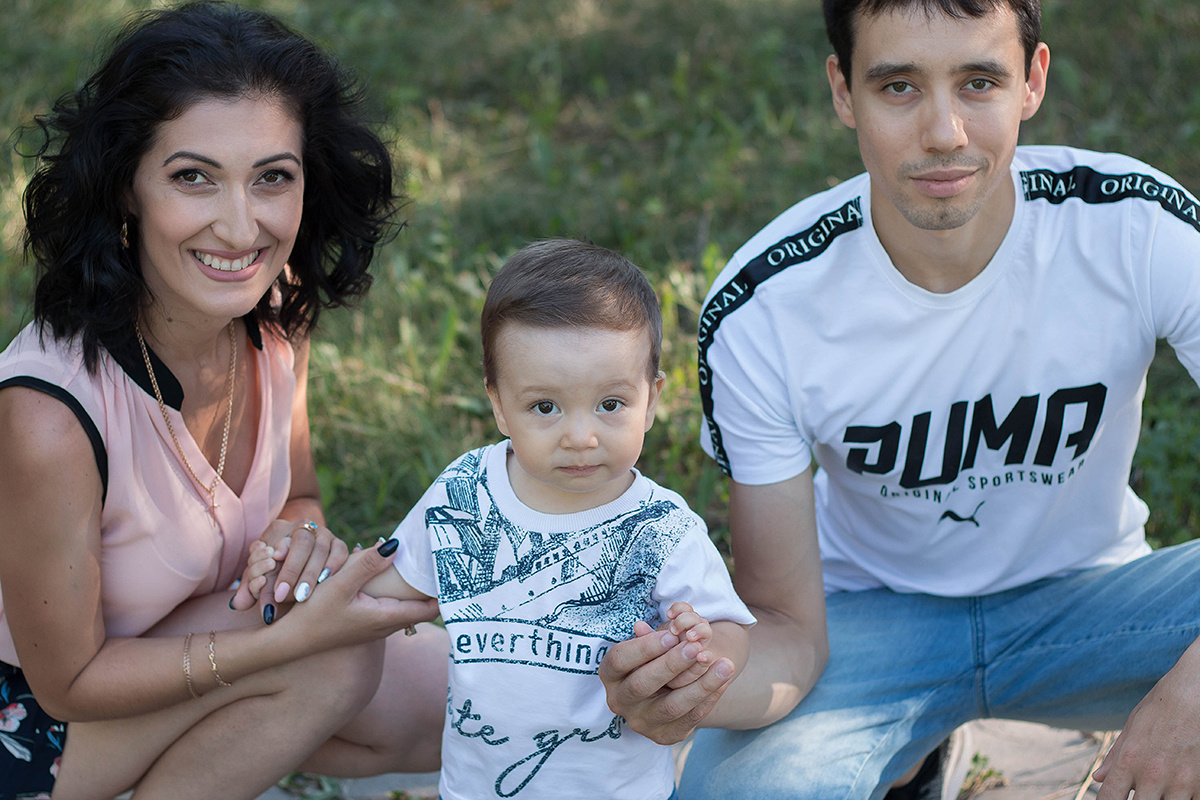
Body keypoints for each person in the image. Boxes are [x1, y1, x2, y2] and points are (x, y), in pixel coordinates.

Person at [599, 1, 1200, 799]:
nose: (945, 131)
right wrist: (689, 689)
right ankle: (912, 756)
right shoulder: (766, 307)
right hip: (866, 629)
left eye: (980, 81)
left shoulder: (1136, 228)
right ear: (844, 92)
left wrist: (1192, 694)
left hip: (1098, 607)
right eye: (899, 87)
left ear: (1033, 82)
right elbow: (784, 631)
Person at [0, 3, 449, 798]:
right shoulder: (47, 414)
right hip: (34, 716)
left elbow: (298, 497)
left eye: (272, 177)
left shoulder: (274, 308)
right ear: (126, 188)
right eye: (193, 177)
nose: (241, 229)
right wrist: (288, 641)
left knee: (466, 700)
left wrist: (297, 546)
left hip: (190, 645)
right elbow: (68, 682)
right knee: (338, 651)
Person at [356, 239, 754, 799]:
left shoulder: (661, 528)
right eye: (545, 407)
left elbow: (730, 627)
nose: (581, 436)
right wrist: (312, 578)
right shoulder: (467, 492)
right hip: (474, 788)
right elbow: (386, 583)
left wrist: (700, 652)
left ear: (653, 398)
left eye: (611, 404)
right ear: (498, 404)